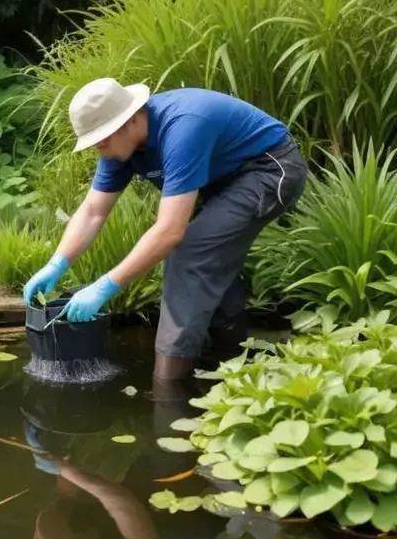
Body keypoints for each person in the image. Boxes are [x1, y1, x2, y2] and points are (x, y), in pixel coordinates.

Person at [23, 78, 308, 381]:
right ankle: (231, 356)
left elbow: (170, 231)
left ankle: (168, 385)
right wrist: (57, 263)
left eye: (102, 141)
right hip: (223, 179)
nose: (99, 151)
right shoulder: (120, 147)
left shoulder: (183, 127)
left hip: (270, 168)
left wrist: (105, 286)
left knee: (190, 252)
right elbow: (94, 211)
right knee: (208, 251)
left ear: (130, 120)